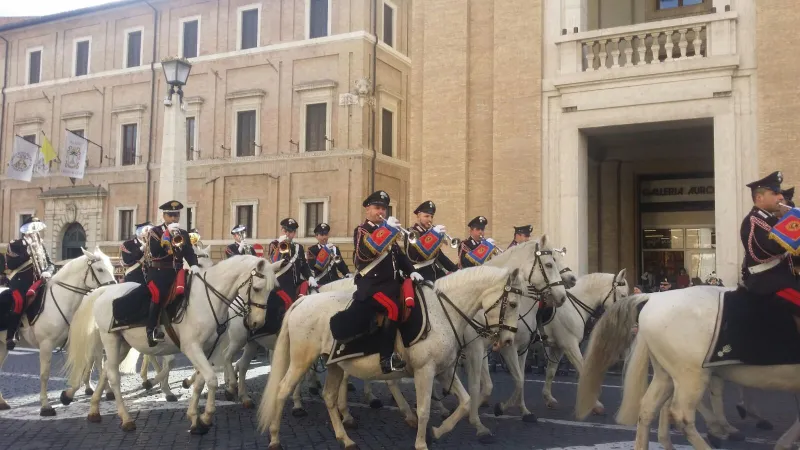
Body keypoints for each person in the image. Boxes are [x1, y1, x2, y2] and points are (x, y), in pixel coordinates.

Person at [346, 190, 422, 373]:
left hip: (391, 284)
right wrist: (387, 230)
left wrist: (412, 272)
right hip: (372, 286)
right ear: (367, 210)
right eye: (377, 207)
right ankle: (385, 358)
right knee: (393, 308)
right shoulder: (362, 230)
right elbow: (365, 254)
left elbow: (400, 256)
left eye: (384, 209)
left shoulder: (389, 231)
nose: (381, 211)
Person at [145, 200, 200, 347]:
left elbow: (188, 252)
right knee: (158, 295)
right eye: (170, 215)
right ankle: (151, 330)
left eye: (176, 215)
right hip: (159, 272)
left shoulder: (183, 233)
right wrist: (167, 233)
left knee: (193, 292)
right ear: (164, 216)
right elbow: (155, 251)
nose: (174, 218)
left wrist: (194, 265)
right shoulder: (155, 232)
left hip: (177, 272)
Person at [1, 217, 54, 350]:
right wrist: (27, 253)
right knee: (18, 301)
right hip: (20, 282)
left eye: (36, 229)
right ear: (25, 231)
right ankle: (11, 335)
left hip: (39, 281)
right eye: (32, 229)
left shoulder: (41, 246)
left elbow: (51, 264)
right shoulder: (16, 244)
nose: (34, 232)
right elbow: (11, 264)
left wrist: (48, 271)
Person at [404, 201, 458, 281]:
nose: (430, 219)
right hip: (419, 273)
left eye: (432, 217)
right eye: (426, 216)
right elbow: (414, 256)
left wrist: (456, 270)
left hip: (435, 271)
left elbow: (439, 255)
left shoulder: (432, 233)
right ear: (419, 216)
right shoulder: (411, 232)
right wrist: (432, 236)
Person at [268, 218, 314, 301]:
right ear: (281, 230)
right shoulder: (274, 244)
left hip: (295, 286)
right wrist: (280, 245)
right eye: (285, 231)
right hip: (280, 286)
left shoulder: (298, 247)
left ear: (294, 233)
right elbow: (275, 262)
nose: (288, 234)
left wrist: (310, 276)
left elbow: (303, 265)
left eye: (291, 232)